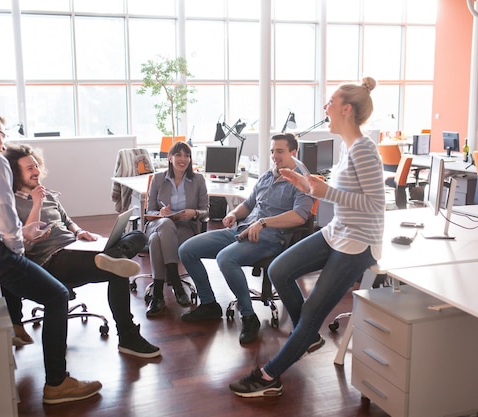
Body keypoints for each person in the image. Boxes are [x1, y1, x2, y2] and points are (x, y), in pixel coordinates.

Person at [0, 108, 102, 404]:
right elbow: (5, 213)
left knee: (10, 257)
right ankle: (57, 384)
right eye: (2, 133)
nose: (3, 140)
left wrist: (18, 240)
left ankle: (15, 324)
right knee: (56, 294)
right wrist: (22, 245)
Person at [229, 77, 385, 397]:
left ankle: (270, 375)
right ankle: (307, 334)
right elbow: (345, 195)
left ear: (345, 109)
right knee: (279, 270)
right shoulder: (348, 146)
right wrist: (311, 188)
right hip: (338, 231)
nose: (324, 107)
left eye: (329, 102)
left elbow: (374, 205)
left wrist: (326, 190)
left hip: (359, 242)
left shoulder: (365, 150)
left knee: (313, 311)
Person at [1, 143, 161, 358]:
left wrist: (79, 232)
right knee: (118, 268)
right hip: (53, 259)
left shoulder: (47, 193)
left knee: (139, 236)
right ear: (15, 172)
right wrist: (36, 203)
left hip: (76, 247)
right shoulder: (10, 203)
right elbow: (25, 244)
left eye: (36, 166)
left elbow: (67, 221)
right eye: (29, 168)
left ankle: (112, 256)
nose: (37, 171)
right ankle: (128, 335)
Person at [178, 133, 315, 344]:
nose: (274, 156)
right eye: (272, 152)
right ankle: (209, 304)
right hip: (241, 230)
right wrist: (233, 214)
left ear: (293, 153)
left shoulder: (301, 183)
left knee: (225, 258)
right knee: (187, 249)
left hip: (270, 238)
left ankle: (249, 317)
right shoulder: (267, 176)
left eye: (280, 151)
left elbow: (299, 216)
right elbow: (249, 205)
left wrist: (264, 223)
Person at [144, 141, 209, 317]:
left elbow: (205, 210)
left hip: (184, 227)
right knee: (164, 224)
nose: (183, 159)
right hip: (158, 224)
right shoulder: (158, 178)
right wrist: (160, 212)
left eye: (187, 155)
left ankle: (157, 294)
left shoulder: (198, 180)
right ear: (170, 158)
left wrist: (194, 212)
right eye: (178, 155)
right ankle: (175, 281)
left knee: (156, 241)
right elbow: (148, 211)